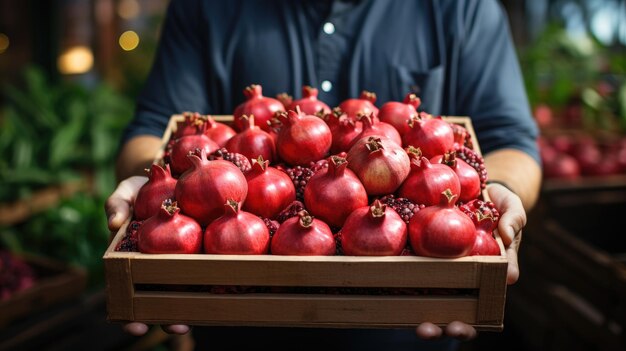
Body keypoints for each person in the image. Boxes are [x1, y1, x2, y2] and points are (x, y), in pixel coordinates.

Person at [105, 0, 541, 349]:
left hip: (408, 322)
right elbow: (153, 128)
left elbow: (511, 141)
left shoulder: (463, 7)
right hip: (236, 317)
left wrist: (498, 191)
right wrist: (151, 182)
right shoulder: (205, 6)